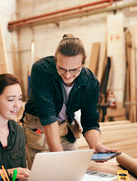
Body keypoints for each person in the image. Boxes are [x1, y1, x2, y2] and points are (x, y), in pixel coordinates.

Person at [22, 33, 117, 169]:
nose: (67, 76)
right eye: (61, 69)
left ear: (84, 61)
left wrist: (96, 145)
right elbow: (47, 115)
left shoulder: (91, 82)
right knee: (46, 175)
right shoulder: (41, 70)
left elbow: (89, 120)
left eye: (74, 70)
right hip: (39, 127)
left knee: (71, 172)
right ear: (55, 60)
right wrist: (59, 157)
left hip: (65, 127)